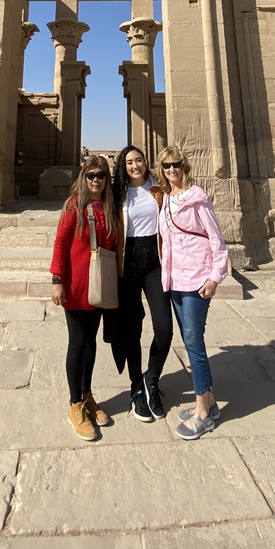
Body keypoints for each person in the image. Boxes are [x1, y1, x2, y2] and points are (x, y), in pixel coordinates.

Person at [156, 145, 228, 440]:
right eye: (166, 166)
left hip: (197, 279)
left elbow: (216, 238)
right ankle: (208, 401)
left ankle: (203, 413)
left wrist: (215, 277)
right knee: (190, 340)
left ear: (184, 166)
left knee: (194, 344)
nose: (171, 170)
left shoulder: (198, 198)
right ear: (161, 170)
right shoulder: (165, 199)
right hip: (175, 280)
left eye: (176, 165)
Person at [50, 155, 118, 441]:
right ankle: (74, 404)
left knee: (90, 343)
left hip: (99, 287)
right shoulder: (73, 206)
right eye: (90, 175)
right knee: (78, 342)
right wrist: (57, 280)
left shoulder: (113, 208)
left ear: (107, 178)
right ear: (83, 177)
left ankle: (87, 395)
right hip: (77, 285)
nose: (95, 180)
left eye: (100, 175)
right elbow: (60, 242)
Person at [112, 145, 173, 421]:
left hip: (154, 261)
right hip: (128, 262)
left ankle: (152, 378)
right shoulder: (118, 192)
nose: (135, 165)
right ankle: (137, 388)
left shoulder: (159, 189)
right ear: (123, 167)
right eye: (129, 162)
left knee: (164, 328)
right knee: (131, 328)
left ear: (146, 161)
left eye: (138, 160)